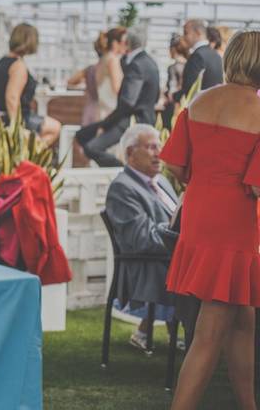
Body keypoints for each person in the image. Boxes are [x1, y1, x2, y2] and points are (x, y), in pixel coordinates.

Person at [160, 30, 260, 410]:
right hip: (233, 224)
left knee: (242, 320)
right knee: (209, 333)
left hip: (199, 215)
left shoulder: (200, 100)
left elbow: (174, 163)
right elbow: (256, 187)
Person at [104, 124, 179, 350]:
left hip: (168, 257)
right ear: (130, 153)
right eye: (151, 147)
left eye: (160, 146)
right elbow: (141, 238)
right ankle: (210, 338)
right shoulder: (122, 188)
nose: (159, 153)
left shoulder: (161, 182)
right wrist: (180, 236)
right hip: (147, 264)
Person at [76, 28, 160, 167]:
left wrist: (106, 124)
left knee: (91, 147)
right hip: (139, 118)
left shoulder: (136, 65)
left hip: (131, 121)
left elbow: (127, 102)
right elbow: (155, 95)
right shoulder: (149, 62)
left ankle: (123, 170)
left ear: (127, 43)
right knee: (82, 136)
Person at [0, 23, 61, 146]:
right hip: (12, 118)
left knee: (51, 127)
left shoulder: (1, 61)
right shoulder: (18, 66)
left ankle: (32, 153)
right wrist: (17, 129)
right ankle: (33, 155)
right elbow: (12, 98)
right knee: (55, 128)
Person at [67, 27, 127, 124]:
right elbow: (117, 89)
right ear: (115, 43)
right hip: (108, 110)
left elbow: (71, 81)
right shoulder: (113, 60)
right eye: (124, 41)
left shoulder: (100, 62)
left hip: (95, 110)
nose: (126, 45)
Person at [174, 19, 223, 104]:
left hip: (199, 109)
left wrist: (174, 96)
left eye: (186, 33)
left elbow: (190, 90)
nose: (184, 37)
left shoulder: (197, 56)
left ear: (198, 32)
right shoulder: (216, 55)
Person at [162, 34, 188, 127]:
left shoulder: (173, 67)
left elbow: (172, 90)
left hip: (173, 106)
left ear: (173, 49)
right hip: (185, 103)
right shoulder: (189, 64)